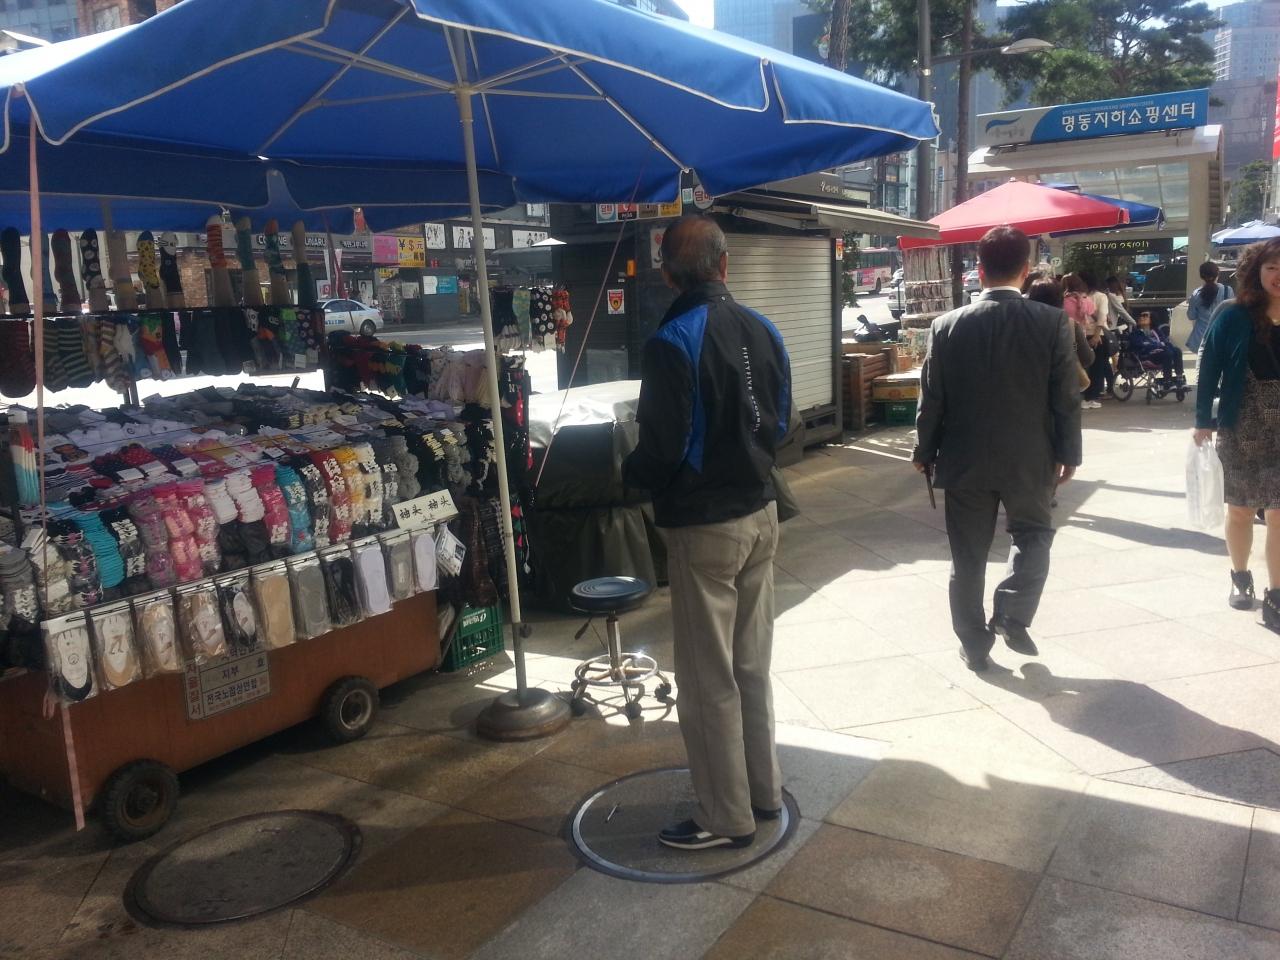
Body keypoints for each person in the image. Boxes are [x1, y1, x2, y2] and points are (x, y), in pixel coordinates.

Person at [621, 215, 792, 850]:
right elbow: (783, 423)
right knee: (751, 666)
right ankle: (763, 793)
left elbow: (662, 449)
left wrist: (630, 474)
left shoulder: (671, 340)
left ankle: (726, 817)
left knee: (706, 679)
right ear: (725, 265)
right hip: (762, 515)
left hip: (705, 527)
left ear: (668, 275)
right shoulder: (765, 328)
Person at [914, 226, 1082, 672]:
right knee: (1034, 536)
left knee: (967, 555)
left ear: (980, 269)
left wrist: (923, 450)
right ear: (1026, 270)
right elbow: (1065, 396)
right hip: (1031, 456)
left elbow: (932, 399)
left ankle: (974, 644)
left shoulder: (946, 326)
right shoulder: (1051, 323)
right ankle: (1011, 611)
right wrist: (1069, 452)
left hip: (964, 457)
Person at [1193, 238, 1280, 632]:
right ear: (1256, 271)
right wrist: (1203, 419)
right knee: (1241, 510)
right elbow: (1209, 367)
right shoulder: (1232, 314)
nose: (1278, 275)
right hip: (1242, 423)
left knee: (1278, 513)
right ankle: (1241, 575)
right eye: (1272, 267)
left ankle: (1276, 594)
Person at [1029, 277, 1094, 371]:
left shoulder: (1024, 323)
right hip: (1063, 376)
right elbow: (1087, 358)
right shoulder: (1069, 324)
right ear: (1059, 298)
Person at [1063, 273, 1105, 409]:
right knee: (1082, 367)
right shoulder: (1086, 300)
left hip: (1064, 338)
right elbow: (1095, 314)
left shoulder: (1063, 301)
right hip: (1081, 338)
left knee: (1067, 369)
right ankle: (1082, 396)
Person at [1187, 261, 1234, 354]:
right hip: (1221, 336)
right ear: (1218, 274)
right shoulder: (1227, 290)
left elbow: (1191, 316)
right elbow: (1232, 313)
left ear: (1201, 276)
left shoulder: (1196, 293)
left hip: (1200, 338)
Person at [1128, 308, 1185, 383]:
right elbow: (1139, 345)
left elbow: (1165, 342)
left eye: (1145, 315)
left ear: (1151, 319)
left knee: (1177, 350)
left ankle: (1179, 377)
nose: (1142, 317)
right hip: (1147, 356)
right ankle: (1167, 380)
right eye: (1141, 316)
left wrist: (1162, 346)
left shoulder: (1157, 331)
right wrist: (1156, 346)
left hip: (1161, 352)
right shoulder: (1135, 333)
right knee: (1167, 353)